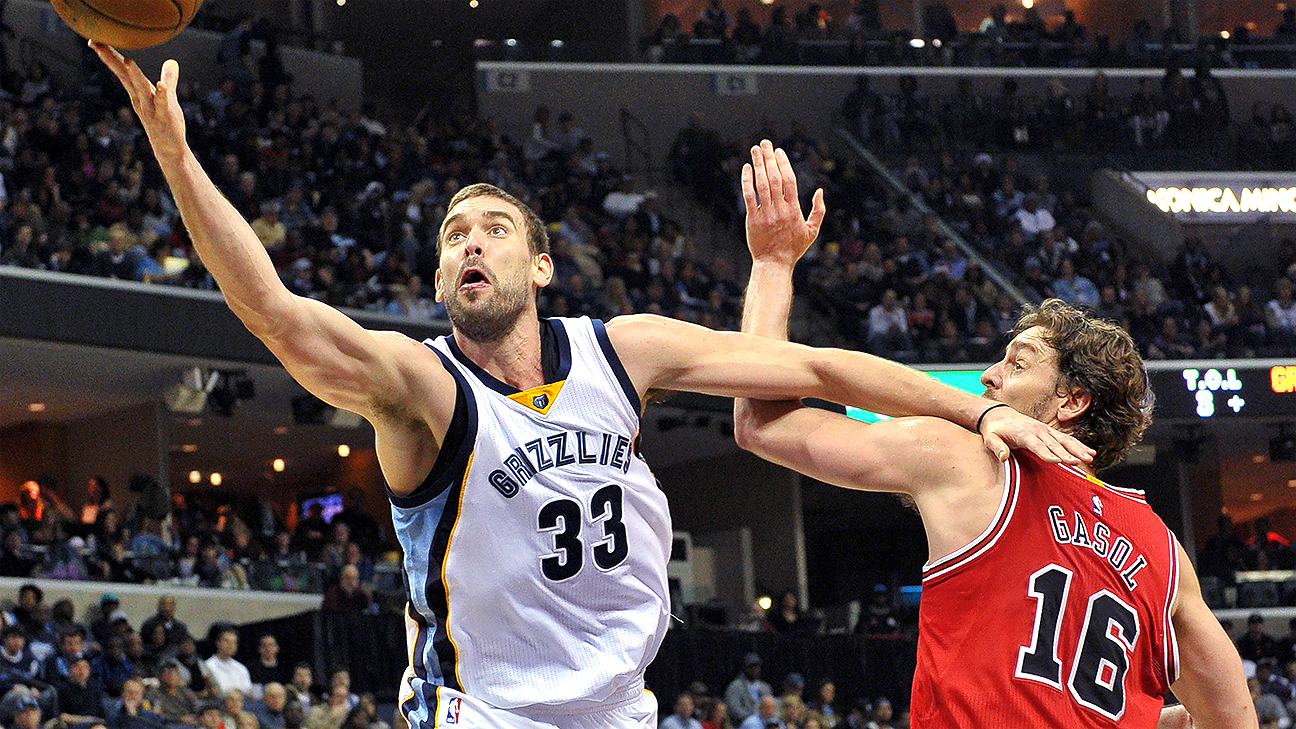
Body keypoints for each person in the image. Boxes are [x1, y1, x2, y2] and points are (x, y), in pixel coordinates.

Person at [94, 48, 1089, 729]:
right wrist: (178, 159)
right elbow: (273, 310)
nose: (467, 242)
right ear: (443, 280)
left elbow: (818, 371)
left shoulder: (624, 350)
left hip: (621, 706)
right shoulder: (419, 387)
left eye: (489, 228)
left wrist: (983, 407)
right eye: (450, 236)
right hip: (482, 713)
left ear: (540, 268)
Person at [732, 141, 1254, 729]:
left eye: (1018, 364)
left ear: (1071, 401)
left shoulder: (962, 461)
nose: (989, 374)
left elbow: (762, 423)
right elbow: (1234, 718)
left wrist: (774, 265)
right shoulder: (1162, 550)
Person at [723, 654, 771, 727]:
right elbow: (734, 709)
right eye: (751, 666)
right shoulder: (735, 687)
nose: (755, 669)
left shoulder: (765, 687)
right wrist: (752, 719)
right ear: (744, 668)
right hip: (742, 724)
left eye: (757, 666)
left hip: (764, 722)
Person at [202, 627, 251, 696]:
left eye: (234, 642)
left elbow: (247, 692)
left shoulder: (241, 668)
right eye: (226, 641)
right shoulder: (208, 666)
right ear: (218, 643)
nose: (230, 645)